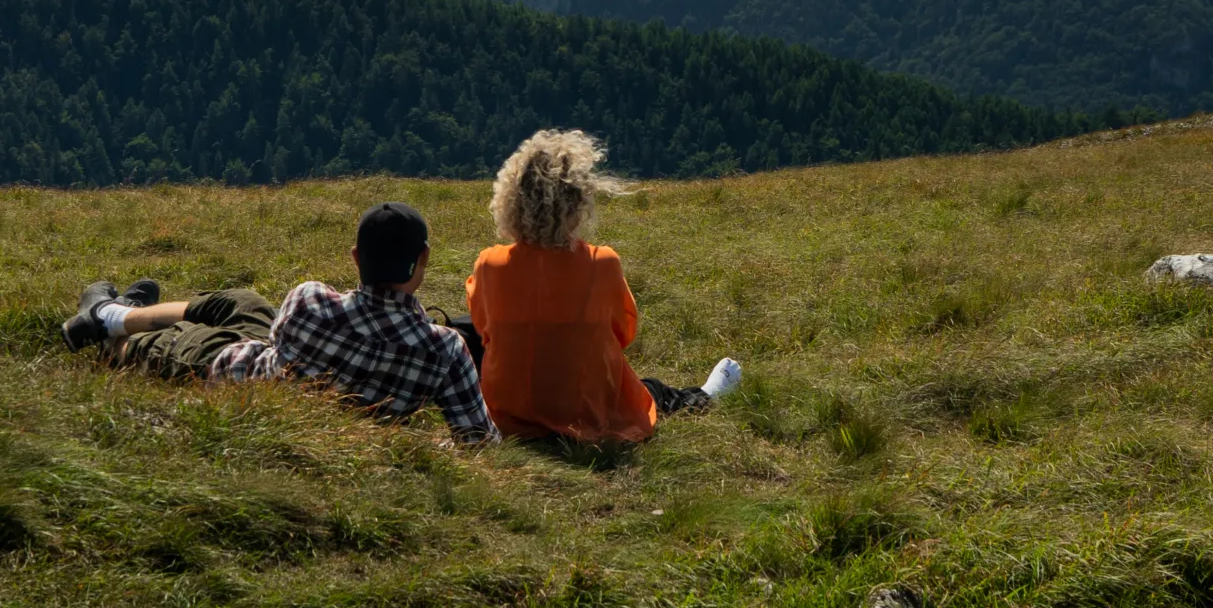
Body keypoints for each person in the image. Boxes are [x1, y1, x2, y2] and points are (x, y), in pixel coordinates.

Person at [58, 200, 499, 446]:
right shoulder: (445, 351)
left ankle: (107, 326)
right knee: (248, 302)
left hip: (228, 372)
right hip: (276, 362)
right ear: (423, 260)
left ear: (354, 258)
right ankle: (116, 313)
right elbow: (479, 441)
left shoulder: (310, 301)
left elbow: (277, 341)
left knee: (184, 337)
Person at [465, 129, 739, 445]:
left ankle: (699, 395)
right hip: (584, 414)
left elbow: (482, 327)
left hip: (508, 416)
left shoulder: (489, 264)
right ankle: (705, 395)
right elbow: (623, 334)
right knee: (651, 391)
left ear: (510, 199)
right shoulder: (601, 263)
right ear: (577, 203)